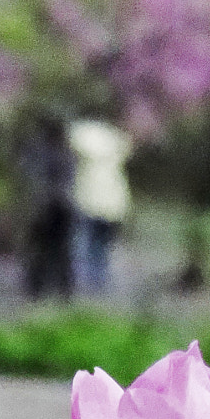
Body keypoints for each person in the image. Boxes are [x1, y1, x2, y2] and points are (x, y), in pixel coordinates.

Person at [67, 115, 131, 296]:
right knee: (99, 244)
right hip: (110, 204)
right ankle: (96, 281)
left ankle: (88, 282)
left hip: (91, 201)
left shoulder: (82, 135)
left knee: (88, 243)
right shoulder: (115, 140)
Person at [21, 113, 74, 299]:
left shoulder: (38, 151)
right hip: (62, 206)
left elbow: (30, 174)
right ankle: (62, 290)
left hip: (45, 207)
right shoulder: (66, 152)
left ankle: (38, 288)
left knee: (41, 250)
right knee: (60, 250)